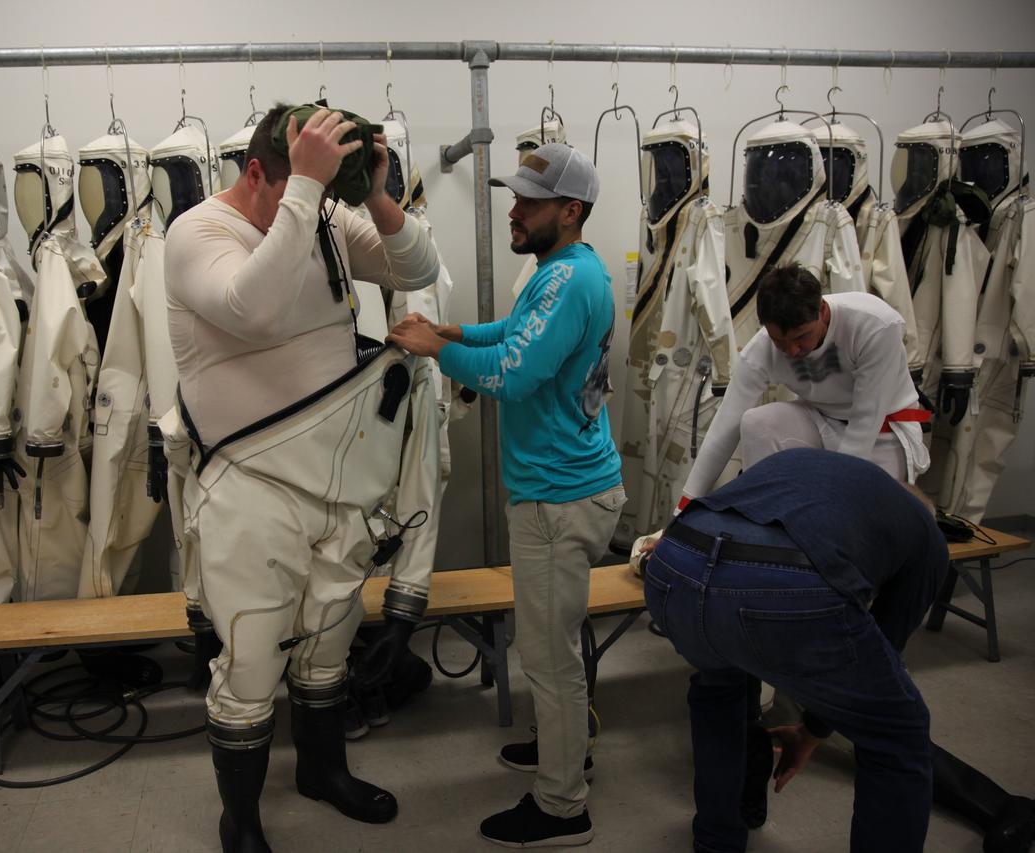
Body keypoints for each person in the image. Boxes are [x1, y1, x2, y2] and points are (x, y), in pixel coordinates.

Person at [165, 104, 441, 852]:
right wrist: (307, 189)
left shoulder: (320, 218)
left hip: (336, 482)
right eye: (294, 185)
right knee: (251, 658)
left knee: (328, 642)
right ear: (258, 172)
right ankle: (242, 820)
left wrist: (375, 195)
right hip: (249, 483)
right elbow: (249, 308)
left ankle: (324, 772)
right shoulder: (196, 232)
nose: (312, 201)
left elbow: (418, 268)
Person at [387, 141, 624, 849]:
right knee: (551, 650)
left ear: (571, 210)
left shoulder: (570, 281)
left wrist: (437, 351)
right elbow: (515, 334)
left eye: (529, 201)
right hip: (558, 488)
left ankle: (563, 806)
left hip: (561, 496)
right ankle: (565, 747)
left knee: (548, 659)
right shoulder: (560, 272)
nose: (513, 210)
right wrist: (456, 330)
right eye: (513, 196)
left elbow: (514, 373)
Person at [644, 447, 947, 853]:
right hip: (778, 583)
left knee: (720, 691)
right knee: (897, 733)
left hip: (673, 562)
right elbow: (886, 643)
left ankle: (716, 843)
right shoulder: (925, 533)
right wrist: (815, 729)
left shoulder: (817, 471)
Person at [679, 262, 930, 506]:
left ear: (822, 310)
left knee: (858, 518)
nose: (793, 350)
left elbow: (864, 425)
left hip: (883, 430)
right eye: (780, 341)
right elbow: (724, 427)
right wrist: (684, 507)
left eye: (801, 337)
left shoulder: (875, 325)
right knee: (756, 422)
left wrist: (828, 504)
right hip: (819, 418)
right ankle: (763, 514)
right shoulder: (762, 348)